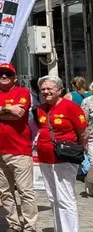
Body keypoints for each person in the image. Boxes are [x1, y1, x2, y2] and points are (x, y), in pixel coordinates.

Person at [0, 62, 37, 232]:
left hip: (20, 151)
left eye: (8, 74)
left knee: (26, 192)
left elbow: (18, 115)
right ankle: (14, 224)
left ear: (15, 77)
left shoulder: (23, 92)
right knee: (5, 192)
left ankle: (30, 227)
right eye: (1, 74)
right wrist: (7, 108)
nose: (4, 76)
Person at [36, 75, 88, 232]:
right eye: (43, 89)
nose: (45, 92)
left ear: (59, 90)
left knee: (65, 198)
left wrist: (75, 149)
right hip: (45, 158)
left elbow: (83, 132)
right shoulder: (40, 109)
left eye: (49, 88)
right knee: (53, 197)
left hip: (64, 158)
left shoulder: (70, 107)